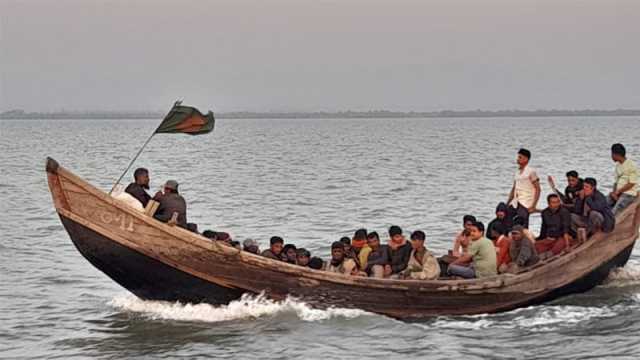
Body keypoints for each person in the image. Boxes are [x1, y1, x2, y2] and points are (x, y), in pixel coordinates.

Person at [507, 148, 541, 228]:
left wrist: (533, 205)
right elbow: (514, 188)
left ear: (526, 159)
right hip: (516, 201)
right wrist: (508, 202)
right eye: (518, 157)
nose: (518, 159)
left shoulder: (531, 171)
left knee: (523, 223)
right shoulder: (517, 172)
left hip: (526, 201)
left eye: (520, 157)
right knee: (508, 218)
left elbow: (538, 189)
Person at [535, 194, 572, 258]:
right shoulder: (545, 213)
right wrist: (539, 239)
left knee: (558, 247)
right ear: (549, 203)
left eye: (558, 202)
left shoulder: (564, 212)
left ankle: (549, 254)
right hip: (550, 238)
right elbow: (544, 228)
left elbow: (565, 229)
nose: (556, 204)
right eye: (553, 202)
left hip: (562, 237)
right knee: (536, 246)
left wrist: (567, 245)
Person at [609, 143, 638, 215]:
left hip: (628, 194)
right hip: (618, 192)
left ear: (617, 155)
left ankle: (608, 224)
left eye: (612, 154)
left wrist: (618, 192)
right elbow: (616, 182)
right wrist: (614, 192)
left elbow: (632, 183)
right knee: (604, 203)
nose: (611, 156)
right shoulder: (618, 166)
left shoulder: (631, 165)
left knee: (615, 210)